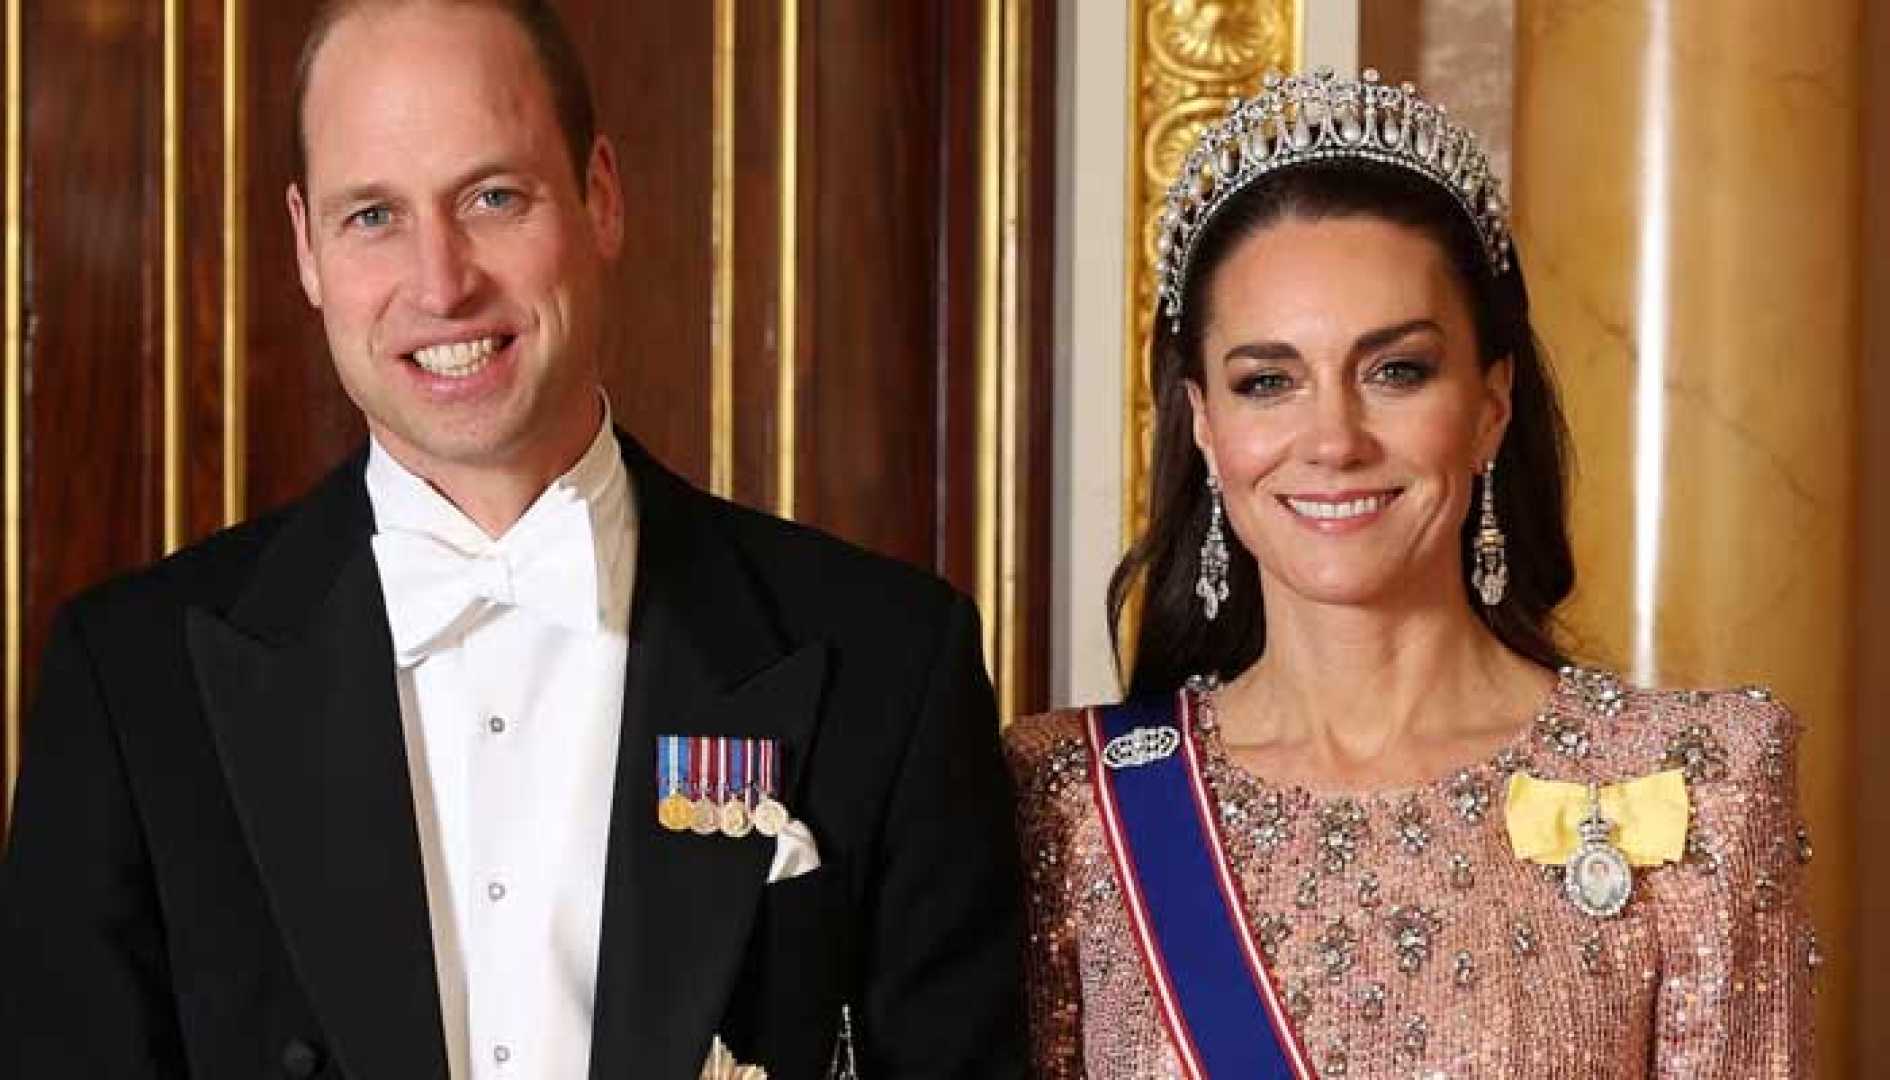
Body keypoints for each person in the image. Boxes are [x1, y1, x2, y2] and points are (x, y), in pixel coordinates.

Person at [0, 2, 1026, 1076]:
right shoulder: (129, 687)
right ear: (305, 247)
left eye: (493, 197)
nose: (442, 283)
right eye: (372, 217)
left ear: (602, 197)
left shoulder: (891, 663)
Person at [1007, 69, 1816, 1077]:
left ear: (1490, 403)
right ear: (1206, 426)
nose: (1334, 439)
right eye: (1269, 382)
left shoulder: (1698, 779)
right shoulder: (1077, 802)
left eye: (1396, 370)